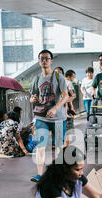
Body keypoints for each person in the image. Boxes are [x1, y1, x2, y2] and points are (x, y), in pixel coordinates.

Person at [29, 49, 69, 183]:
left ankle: (58, 174)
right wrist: (33, 99)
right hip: (42, 118)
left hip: (58, 118)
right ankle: (39, 175)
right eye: (42, 58)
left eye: (47, 58)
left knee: (58, 147)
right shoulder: (36, 79)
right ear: (39, 61)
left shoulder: (59, 77)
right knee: (40, 146)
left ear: (51, 61)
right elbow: (32, 96)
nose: (44, 61)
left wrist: (56, 108)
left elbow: (65, 96)